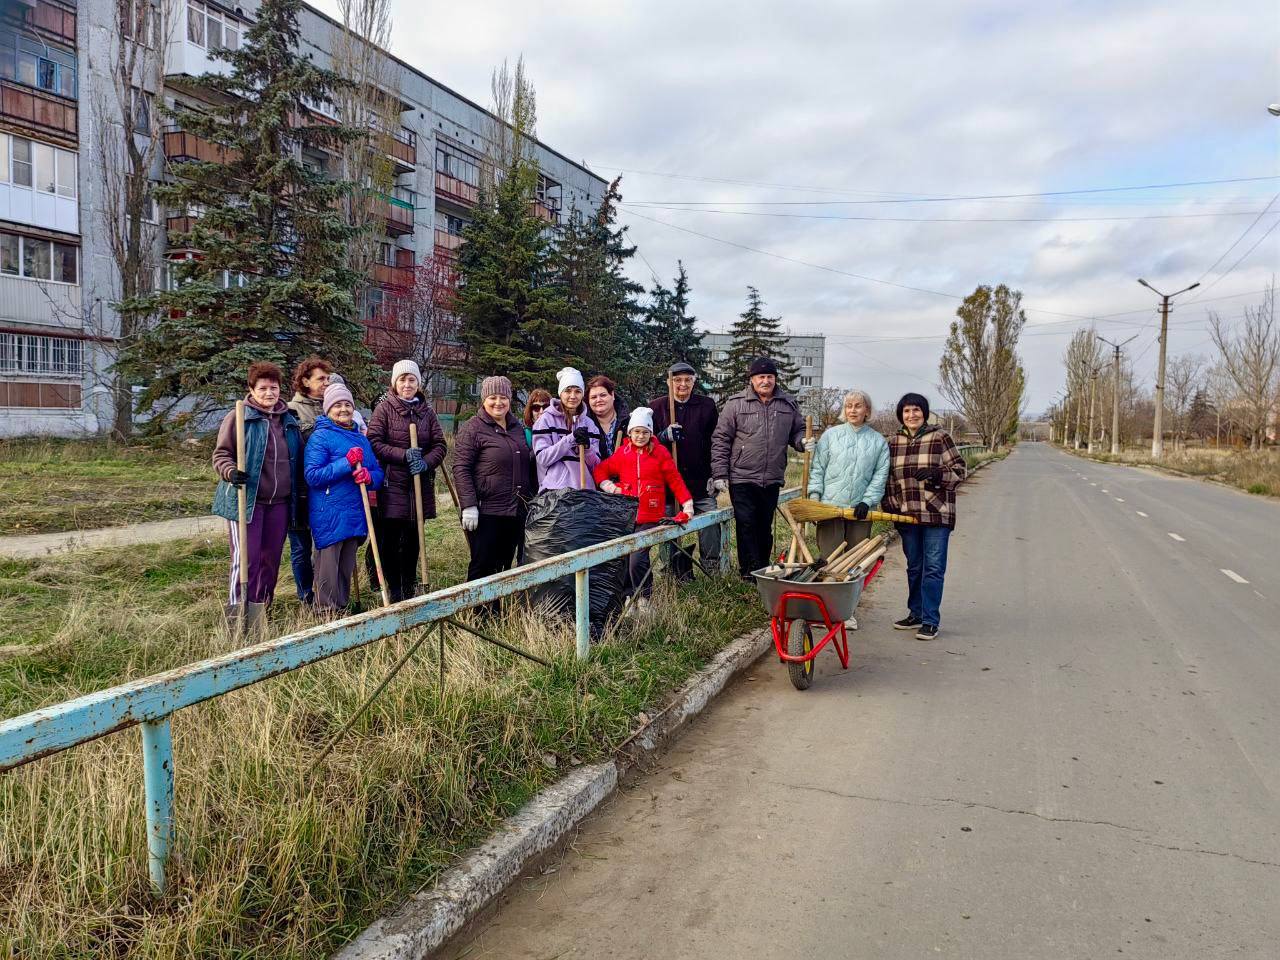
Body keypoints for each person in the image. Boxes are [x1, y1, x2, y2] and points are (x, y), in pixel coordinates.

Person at [211, 361, 303, 632]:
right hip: (247, 502)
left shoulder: (289, 420)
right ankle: (238, 618)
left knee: (270, 561)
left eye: (273, 388)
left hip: (279, 504)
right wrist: (230, 471)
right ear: (251, 389)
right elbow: (221, 454)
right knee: (246, 560)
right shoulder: (240, 417)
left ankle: (261, 613)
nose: (269, 393)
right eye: (262, 388)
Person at [710, 357, 813, 580]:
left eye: (769, 377)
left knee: (764, 525)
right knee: (746, 524)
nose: (765, 381)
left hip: (772, 477)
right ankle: (749, 572)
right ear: (752, 380)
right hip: (742, 476)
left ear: (775, 379)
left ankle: (763, 570)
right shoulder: (736, 404)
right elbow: (721, 439)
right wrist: (720, 473)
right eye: (761, 377)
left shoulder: (787, 404)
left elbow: (798, 431)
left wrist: (803, 441)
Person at [881, 392, 966, 641]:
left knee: (933, 568)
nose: (912, 415)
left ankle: (930, 620)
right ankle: (915, 613)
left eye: (916, 410)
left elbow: (960, 471)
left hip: (936, 514)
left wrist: (937, 474)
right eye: (907, 411)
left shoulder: (940, 437)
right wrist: (891, 508)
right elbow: (888, 480)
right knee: (914, 566)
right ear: (901, 415)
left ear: (924, 413)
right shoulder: (893, 442)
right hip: (907, 515)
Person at [595, 407, 693, 614]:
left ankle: (645, 598)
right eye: (636, 432)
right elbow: (600, 470)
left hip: (651, 516)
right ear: (630, 433)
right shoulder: (623, 454)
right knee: (625, 559)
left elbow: (674, 480)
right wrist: (611, 487)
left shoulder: (660, 453)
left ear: (651, 433)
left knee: (637, 559)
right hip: (627, 516)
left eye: (645, 432)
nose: (640, 436)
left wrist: (687, 503)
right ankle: (630, 597)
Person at [366, 359, 447, 602]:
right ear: (395, 383)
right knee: (390, 540)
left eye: (412, 379)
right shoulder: (385, 409)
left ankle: (410, 586)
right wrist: (403, 455)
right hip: (393, 485)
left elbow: (440, 445)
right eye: (402, 379)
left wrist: (425, 462)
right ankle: (395, 589)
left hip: (418, 485)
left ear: (418, 383)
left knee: (413, 538)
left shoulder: (427, 412)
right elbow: (374, 442)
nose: (407, 384)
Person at [304, 382, 384, 613]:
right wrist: (346, 463)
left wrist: (368, 476)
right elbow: (313, 476)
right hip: (329, 512)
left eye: (347, 405)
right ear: (328, 409)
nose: (343, 409)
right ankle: (325, 613)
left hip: (355, 511)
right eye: (337, 405)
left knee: (346, 566)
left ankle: (341, 608)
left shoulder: (361, 439)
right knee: (328, 567)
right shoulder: (320, 437)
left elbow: (378, 473)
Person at [453, 376, 533, 583]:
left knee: (503, 565)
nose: (498, 402)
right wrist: (469, 505)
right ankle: (477, 603)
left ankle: (496, 602)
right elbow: (461, 468)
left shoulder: (516, 427)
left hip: (515, 509)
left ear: (509, 399)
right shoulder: (473, 428)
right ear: (484, 400)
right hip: (486, 510)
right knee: (482, 565)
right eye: (493, 397)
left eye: (503, 397)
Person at [650, 360, 721, 579]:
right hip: (668, 486)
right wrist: (663, 436)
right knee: (667, 527)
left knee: (710, 522)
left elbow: (716, 442)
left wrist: (715, 474)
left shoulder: (706, 406)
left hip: (699, 483)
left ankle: (711, 568)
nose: (682, 385)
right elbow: (646, 443)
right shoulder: (656, 407)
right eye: (677, 380)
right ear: (668, 382)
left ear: (694, 382)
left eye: (687, 380)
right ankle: (671, 571)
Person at [807, 389, 890, 557]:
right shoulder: (830, 436)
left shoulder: (878, 441)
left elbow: (880, 476)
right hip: (830, 508)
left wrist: (867, 501)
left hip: (861, 510)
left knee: (856, 559)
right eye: (848, 406)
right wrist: (815, 499)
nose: (852, 410)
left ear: (867, 410)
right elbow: (817, 469)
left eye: (858, 406)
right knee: (830, 558)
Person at [285, 356, 332, 605]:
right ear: (305, 381)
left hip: (327, 490)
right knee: (301, 547)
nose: (326, 383)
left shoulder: (333, 406)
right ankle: (306, 596)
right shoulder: (291, 411)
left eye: (328, 378)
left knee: (325, 544)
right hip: (300, 491)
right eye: (320, 379)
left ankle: (325, 592)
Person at [531, 367, 605, 491]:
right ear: (560, 393)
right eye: (568, 391)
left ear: (582, 394)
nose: (573, 396)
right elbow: (543, 459)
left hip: (584, 492)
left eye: (578, 391)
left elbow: (596, 467)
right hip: (556, 491)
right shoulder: (546, 420)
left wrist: (587, 449)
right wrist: (570, 439)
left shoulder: (590, 425)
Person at [586, 375, 629, 458]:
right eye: (593, 397)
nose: (598, 400)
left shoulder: (628, 423)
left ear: (612, 395)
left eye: (603, 395)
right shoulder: (584, 425)